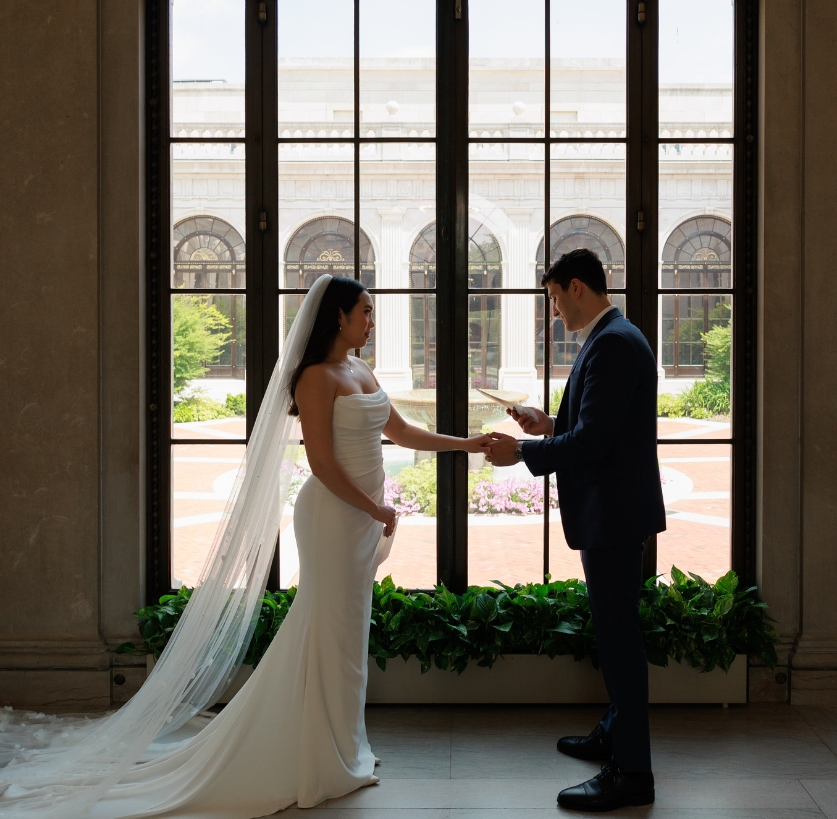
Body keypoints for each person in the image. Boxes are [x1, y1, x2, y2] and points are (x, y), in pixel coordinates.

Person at [0, 275, 492, 817]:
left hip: (360, 520)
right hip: (333, 517)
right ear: (339, 317)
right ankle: (317, 756)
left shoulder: (360, 369)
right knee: (328, 631)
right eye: (366, 312)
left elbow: (402, 433)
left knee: (346, 638)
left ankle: (342, 750)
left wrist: (467, 444)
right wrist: (375, 508)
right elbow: (322, 465)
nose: (372, 321)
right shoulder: (315, 377)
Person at [484, 248, 665, 813]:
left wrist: (525, 452)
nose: (554, 309)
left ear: (579, 287)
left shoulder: (611, 342)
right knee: (614, 633)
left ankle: (632, 772)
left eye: (556, 297)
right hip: (613, 510)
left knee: (619, 641)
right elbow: (595, 428)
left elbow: (593, 445)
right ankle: (615, 732)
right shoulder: (616, 335)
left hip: (612, 514)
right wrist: (551, 424)